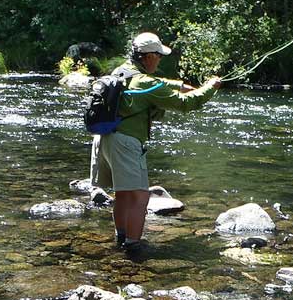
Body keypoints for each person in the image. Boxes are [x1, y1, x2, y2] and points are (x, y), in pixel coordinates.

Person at [90, 32, 221, 255]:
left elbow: (154, 83)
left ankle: (121, 238)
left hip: (105, 139)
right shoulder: (148, 84)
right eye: (158, 55)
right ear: (148, 57)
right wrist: (211, 86)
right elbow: (187, 104)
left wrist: (178, 84)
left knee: (123, 194)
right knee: (141, 197)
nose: (160, 59)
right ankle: (133, 247)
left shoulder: (121, 71)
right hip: (126, 144)